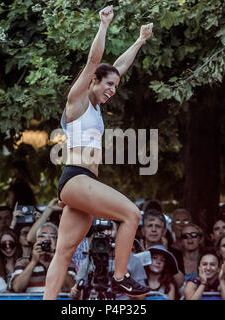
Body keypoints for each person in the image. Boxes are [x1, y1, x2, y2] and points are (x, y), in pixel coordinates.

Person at [43, 5, 153, 300]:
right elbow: (95, 60)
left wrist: (140, 41)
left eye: (116, 86)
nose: (113, 90)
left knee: (63, 252)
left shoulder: (96, 106)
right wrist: (103, 25)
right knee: (131, 214)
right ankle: (121, 277)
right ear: (93, 81)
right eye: (109, 85)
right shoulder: (77, 100)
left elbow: (119, 66)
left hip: (77, 184)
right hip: (77, 178)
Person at [70, 219, 147, 300]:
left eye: (110, 229)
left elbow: (141, 297)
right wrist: (77, 290)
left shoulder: (133, 261)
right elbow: (75, 295)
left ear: (119, 232)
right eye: (101, 230)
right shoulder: (89, 260)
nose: (106, 233)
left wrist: (125, 283)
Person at [11, 222, 74, 294]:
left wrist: (56, 259)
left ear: (58, 241)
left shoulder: (67, 263)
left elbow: (70, 288)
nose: (48, 239)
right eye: (43, 236)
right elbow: (17, 288)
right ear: (36, 240)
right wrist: (33, 262)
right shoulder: (22, 262)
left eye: (53, 237)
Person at [139, 209, 185, 291]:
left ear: (164, 231)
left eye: (158, 226)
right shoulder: (135, 251)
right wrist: (144, 256)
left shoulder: (174, 253)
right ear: (143, 230)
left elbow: (180, 282)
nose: (153, 230)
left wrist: (166, 254)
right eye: (150, 226)